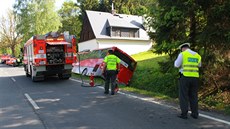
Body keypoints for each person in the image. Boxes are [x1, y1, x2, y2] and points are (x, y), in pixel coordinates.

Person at [174, 43, 201, 119]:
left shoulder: (183, 54)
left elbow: (176, 65)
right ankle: (195, 113)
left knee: (183, 96)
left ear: (182, 48)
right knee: (193, 96)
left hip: (185, 77)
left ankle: (184, 114)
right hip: (195, 78)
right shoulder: (197, 55)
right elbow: (199, 65)